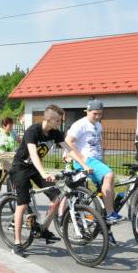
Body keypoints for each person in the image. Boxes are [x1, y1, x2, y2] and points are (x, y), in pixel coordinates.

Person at [8, 104, 92, 255]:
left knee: (57, 197)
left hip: (35, 169)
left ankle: (43, 229)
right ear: (48, 120)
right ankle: (17, 242)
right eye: (58, 121)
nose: (60, 123)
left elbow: (69, 150)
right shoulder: (32, 131)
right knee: (22, 204)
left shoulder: (55, 133)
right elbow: (33, 154)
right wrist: (44, 173)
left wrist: (84, 165)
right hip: (20, 168)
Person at [66, 100, 124, 238]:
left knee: (109, 191)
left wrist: (103, 159)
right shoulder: (80, 124)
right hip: (86, 161)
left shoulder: (98, 125)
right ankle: (110, 214)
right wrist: (81, 160)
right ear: (87, 111)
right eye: (95, 114)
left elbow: (99, 143)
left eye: (100, 114)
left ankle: (106, 228)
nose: (98, 116)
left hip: (96, 161)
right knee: (109, 175)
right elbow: (67, 142)